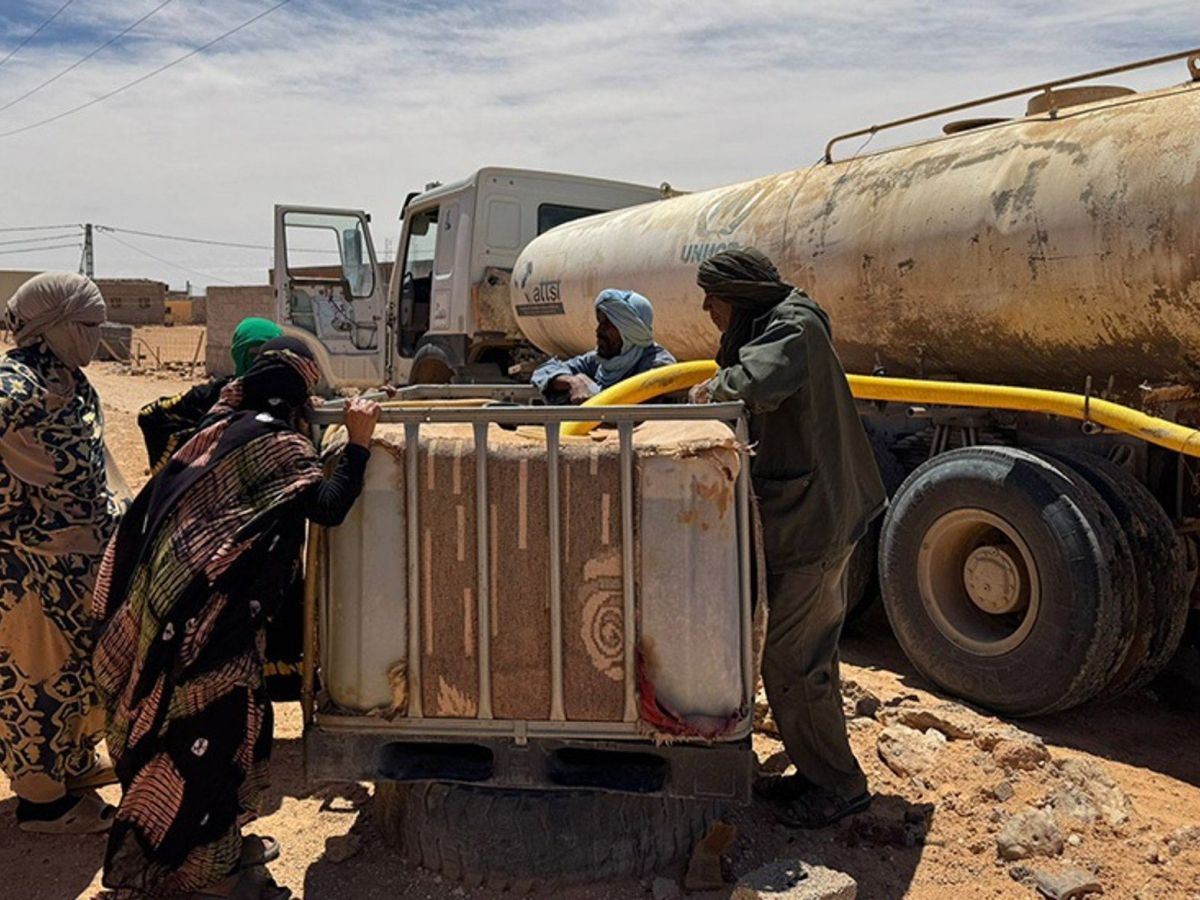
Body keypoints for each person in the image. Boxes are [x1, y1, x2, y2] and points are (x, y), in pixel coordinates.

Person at [92, 338, 380, 898]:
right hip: (212, 629)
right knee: (212, 743)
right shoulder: (279, 445)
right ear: (298, 393)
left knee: (184, 737)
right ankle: (208, 877)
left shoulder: (213, 431)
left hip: (168, 614)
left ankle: (200, 856)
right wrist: (360, 445)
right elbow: (327, 506)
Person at [689, 248, 886, 829]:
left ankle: (838, 786)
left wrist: (705, 391)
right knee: (799, 656)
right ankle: (818, 771)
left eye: (713, 298)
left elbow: (750, 385)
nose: (706, 309)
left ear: (740, 297)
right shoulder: (772, 324)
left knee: (794, 661)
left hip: (815, 523)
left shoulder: (793, 327)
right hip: (804, 516)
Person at [0, 272, 120, 834]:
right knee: (34, 681)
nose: (96, 336)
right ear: (53, 326)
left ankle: (69, 763)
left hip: (78, 568)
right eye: (87, 325)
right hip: (26, 571)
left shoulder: (72, 382)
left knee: (76, 675)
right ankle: (41, 803)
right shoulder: (14, 387)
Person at [138, 317, 282, 474]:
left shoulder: (292, 397)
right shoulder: (214, 395)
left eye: (270, 354)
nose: (262, 361)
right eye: (255, 354)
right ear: (239, 354)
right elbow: (150, 415)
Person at [532, 289, 675, 404]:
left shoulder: (657, 364)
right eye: (600, 323)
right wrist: (573, 381)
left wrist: (593, 392)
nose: (599, 331)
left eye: (607, 324)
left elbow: (634, 408)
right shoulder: (600, 361)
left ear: (630, 330)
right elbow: (544, 371)